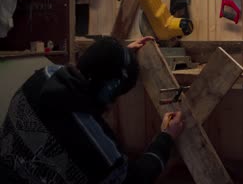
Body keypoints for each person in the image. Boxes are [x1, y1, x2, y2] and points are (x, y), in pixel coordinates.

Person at [0, 36, 184, 183]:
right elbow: (133, 178)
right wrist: (166, 137)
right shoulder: (92, 140)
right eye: (117, 94)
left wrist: (121, 56)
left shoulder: (42, 77)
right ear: (109, 91)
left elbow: (98, 67)